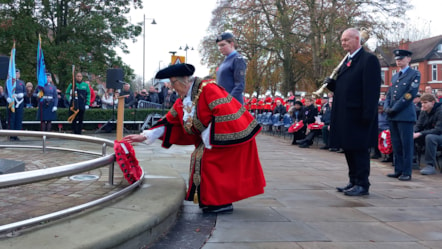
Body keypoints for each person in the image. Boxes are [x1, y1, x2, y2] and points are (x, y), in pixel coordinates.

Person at [123, 63, 266, 213]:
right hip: (211, 139)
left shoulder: (209, 88)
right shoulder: (184, 98)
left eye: (173, 83)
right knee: (200, 156)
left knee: (208, 160)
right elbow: (170, 120)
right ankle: (209, 200)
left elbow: (225, 113)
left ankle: (221, 201)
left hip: (229, 138)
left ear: (185, 79)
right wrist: (144, 135)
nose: (172, 88)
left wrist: (208, 141)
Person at [324, 28, 381, 196]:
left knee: (359, 150)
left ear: (357, 39)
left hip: (359, 115)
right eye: (342, 40)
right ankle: (353, 180)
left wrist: (368, 115)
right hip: (345, 114)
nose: (343, 43)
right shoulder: (346, 61)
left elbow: (371, 90)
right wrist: (332, 85)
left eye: (346, 40)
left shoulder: (368, 60)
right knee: (348, 148)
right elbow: (346, 87)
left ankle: (363, 184)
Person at [384, 49, 420, 181]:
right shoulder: (395, 76)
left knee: (406, 145)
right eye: (397, 59)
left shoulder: (414, 74)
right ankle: (398, 169)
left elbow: (410, 94)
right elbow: (389, 94)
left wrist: (395, 108)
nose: (399, 60)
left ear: (409, 59)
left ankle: (406, 171)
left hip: (404, 114)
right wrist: (387, 107)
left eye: (402, 58)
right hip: (393, 115)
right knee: (396, 144)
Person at [413, 93, 442, 175]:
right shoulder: (424, 111)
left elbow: (438, 130)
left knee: (430, 137)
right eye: (422, 103)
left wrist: (420, 133)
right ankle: (412, 160)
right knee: (411, 135)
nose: (423, 105)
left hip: (439, 135)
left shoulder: (440, 111)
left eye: (425, 102)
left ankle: (430, 165)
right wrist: (413, 132)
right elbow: (418, 125)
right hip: (429, 134)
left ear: (432, 102)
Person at [216, 32, 247, 104]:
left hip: (233, 105)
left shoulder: (237, 59)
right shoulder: (224, 61)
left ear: (231, 44)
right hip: (224, 102)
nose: (220, 48)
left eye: (223, 45)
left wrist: (228, 101)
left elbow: (239, 85)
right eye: (219, 46)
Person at [6, 68, 26, 141]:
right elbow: (5, 92)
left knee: (18, 119)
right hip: (12, 102)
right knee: (12, 119)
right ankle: (11, 135)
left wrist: (23, 94)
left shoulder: (22, 82)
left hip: (20, 102)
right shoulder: (9, 82)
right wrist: (7, 98)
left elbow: (25, 92)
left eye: (18, 73)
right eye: (16, 73)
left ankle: (16, 135)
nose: (17, 75)